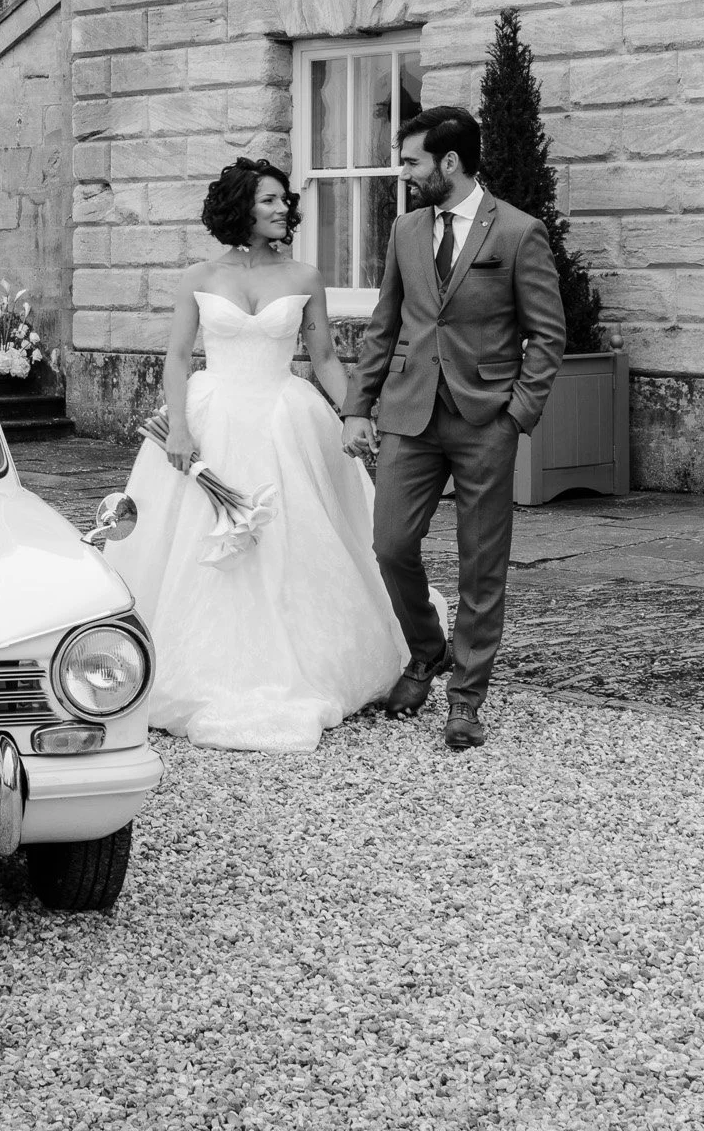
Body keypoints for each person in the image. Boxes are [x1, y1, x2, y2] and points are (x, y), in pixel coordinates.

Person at [104, 158, 408, 752]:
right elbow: (176, 357)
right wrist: (181, 430)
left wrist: (354, 415)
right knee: (196, 544)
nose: (281, 209)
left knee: (297, 536)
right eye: (268, 200)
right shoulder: (198, 274)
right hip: (210, 418)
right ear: (241, 205)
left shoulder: (305, 275)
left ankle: (306, 661)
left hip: (283, 419)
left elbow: (323, 358)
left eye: (282, 200)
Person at [341, 105, 565, 752]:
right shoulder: (406, 230)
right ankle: (427, 648)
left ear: (448, 162)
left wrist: (516, 416)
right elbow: (385, 324)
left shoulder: (520, 233)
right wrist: (360, 405)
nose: (403, 173)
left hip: (484, 418)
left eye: (411, 161)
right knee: (389, 543)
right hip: (410, 414)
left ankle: (465, 696)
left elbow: (548, 337)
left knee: (481, 564)